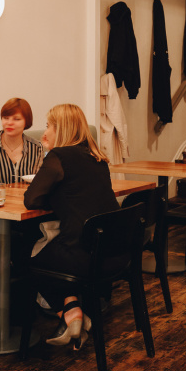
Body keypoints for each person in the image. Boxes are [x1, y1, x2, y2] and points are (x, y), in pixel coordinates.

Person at [24, 104, 119, 348]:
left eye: (48, 126)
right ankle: (73, 309)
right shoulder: (97, 157)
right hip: (113, 251)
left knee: (25, 260)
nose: (45, 131)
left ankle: (69, 314)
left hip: (82, 254)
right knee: (53, 252)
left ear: (61, 128)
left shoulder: (59, 157)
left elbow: (31, 200)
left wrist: (49, 155)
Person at [0, 97, 44, 184]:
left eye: (16, 119)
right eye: (6, 118)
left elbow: (38, 184)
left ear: (26, 122)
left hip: (28, 193)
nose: (9, 123)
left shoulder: (36, 147)